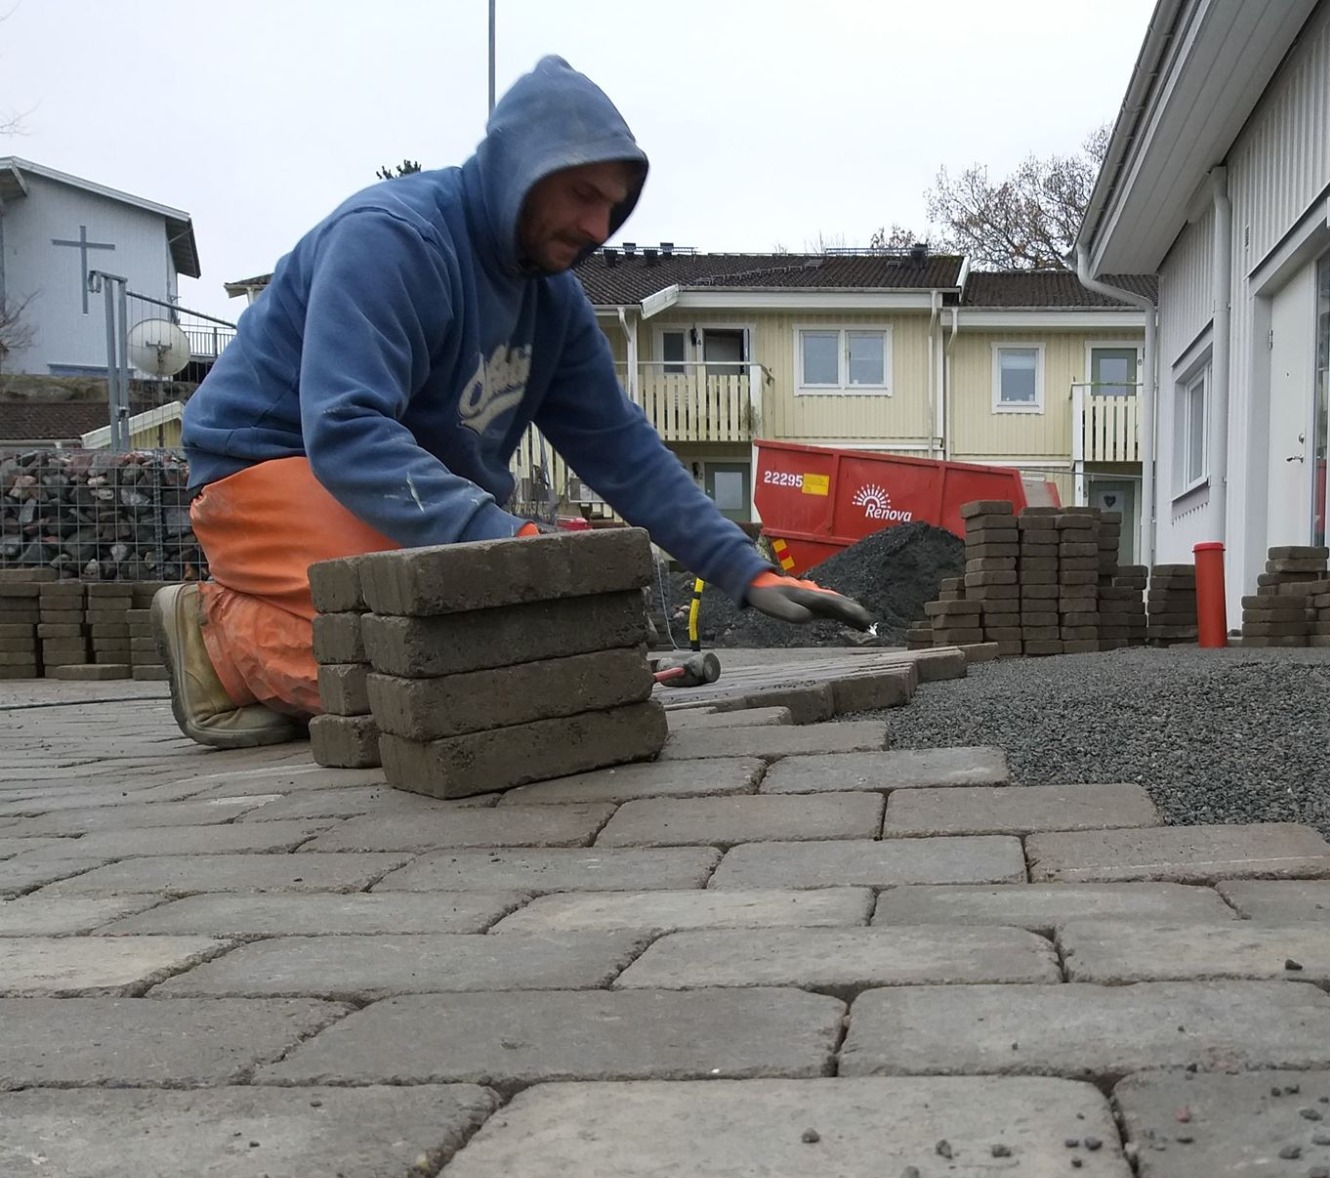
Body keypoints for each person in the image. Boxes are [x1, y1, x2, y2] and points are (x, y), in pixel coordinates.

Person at [164, 55, 870, 749]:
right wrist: (510, 544)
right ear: (522, 169)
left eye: (614, 207)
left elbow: (621, 449)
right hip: (270, 465)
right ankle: (217, 642)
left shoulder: (552, 300)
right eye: (583, 195)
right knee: (422, 671)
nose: (600, 228)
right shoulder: (394, 239)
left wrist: (742, 568)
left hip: (397, 489)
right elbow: (345, 431)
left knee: (489, 666)